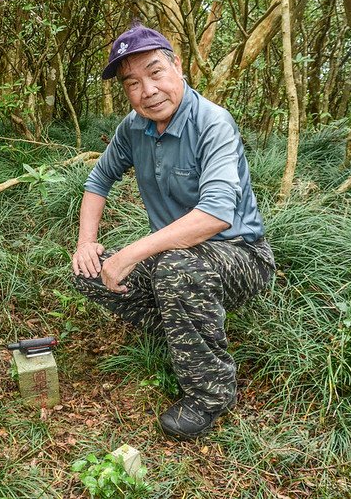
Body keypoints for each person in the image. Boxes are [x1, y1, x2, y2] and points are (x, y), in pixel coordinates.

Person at [71, 23, 275, 440]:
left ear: (177, 67)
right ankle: (183, 327)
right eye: (133, 82)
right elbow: (98, 181)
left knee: (175, 270)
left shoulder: (213, 122)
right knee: (88, 271)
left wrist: (130, 254)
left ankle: (211, 393)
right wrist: (86, 242)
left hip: (241, 255)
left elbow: (215, 216)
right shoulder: (133, 127)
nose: (148, 90)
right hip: (174, 256)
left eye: (155, 72)